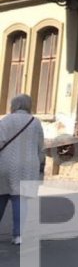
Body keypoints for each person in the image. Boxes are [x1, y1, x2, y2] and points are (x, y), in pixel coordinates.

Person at [0, 94, 46, 246]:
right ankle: (18, 235)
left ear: (13, 105)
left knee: (1, 197)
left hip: (5, 164)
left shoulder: (5, 121)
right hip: (28, 165)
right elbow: (40, 147)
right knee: (21, 200)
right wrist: (40, 165)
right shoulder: (35, 122)